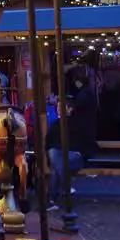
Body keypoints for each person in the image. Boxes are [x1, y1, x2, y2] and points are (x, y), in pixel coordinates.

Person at [45, 66, 99, 208]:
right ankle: (64, 190)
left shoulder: (76, 122)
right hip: (63, 153)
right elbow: (49, 143)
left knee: (57, 165)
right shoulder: (60, 123)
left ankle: (52, 199)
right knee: (57, 160)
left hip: (73, 153)